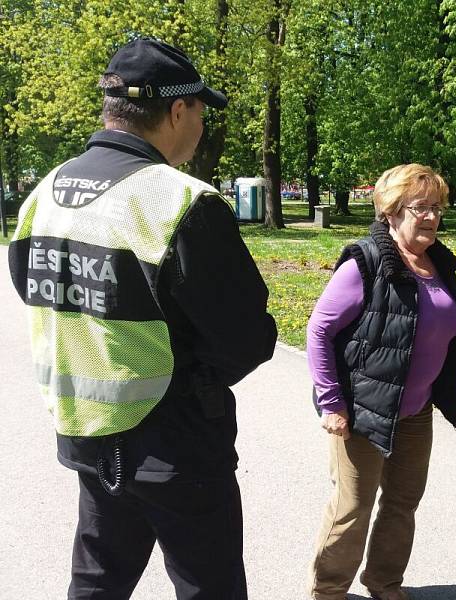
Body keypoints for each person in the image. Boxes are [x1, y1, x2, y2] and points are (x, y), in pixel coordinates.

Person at [8, 38, 277, 599]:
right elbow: (247, 337)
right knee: (210, 586)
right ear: (177, 110)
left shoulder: (45, 192)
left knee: (98, 580)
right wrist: (195, 381)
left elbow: (34, 289)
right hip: (176, 446)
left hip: (87, 433)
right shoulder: (180, 201)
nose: (201, 123)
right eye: (201, 109)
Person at [306, 164, 456, 600]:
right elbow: (319, 330)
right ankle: (328, 591)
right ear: (391, 212)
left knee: (402, 505)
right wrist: (331, 402)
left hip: (415, 411)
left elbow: (433, 321)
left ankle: (384, 582)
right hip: (363, 410)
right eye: (420, 208)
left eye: (437, 208)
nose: (432, 217)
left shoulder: (440, 263)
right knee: (352, 510)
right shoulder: (367, 261)